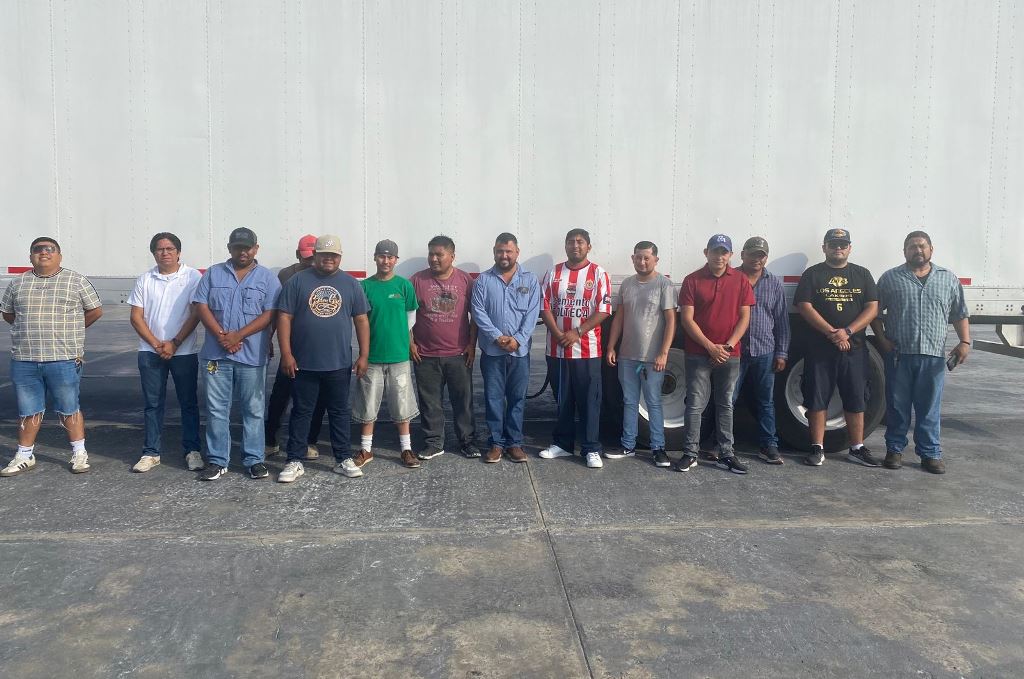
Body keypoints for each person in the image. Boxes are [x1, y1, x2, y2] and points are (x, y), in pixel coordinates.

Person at [0, 237, 103, 476]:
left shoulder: (76, 280)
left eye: (50, 249)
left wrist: (72, 329)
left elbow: (95, 310)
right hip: (25, 359)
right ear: (30, 256)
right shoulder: (17, 283)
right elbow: (8, 314)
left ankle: (79, 454)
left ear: (59, 255)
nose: (44, 253)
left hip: (63, 358)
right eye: (38, 250)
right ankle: (24, 455)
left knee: (69, 407)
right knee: (28, 410)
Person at [870, 230, 970, 474]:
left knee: (929, 407)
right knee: (897, 406)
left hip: (933, 356)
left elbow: (959, 313)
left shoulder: (947, 279)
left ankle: (930, 454)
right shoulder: (890, 278)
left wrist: (964, 342)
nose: (918, 250)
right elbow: (874, 313)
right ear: (904, 251)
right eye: (912, 246)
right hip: (899, 355)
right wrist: (882, 340)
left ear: (931, 249)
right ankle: (894, 450)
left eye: (922, 246)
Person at [275, 234, 370, 483]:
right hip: (303, 362)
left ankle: (343, 458)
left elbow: (361, 319)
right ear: (315, 255)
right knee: (301, 411)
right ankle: (294, 460)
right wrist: (286, 353)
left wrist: (364, 355)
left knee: (339, 412)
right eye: (324, 254)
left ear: (340, 257)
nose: (329, 259)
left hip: (339, 363)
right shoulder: (297, 281)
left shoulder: (351, 284)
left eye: (334, 255)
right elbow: (284, 317)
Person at [192, 227, 281, 480]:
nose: (243, 252)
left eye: (247, 247)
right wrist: (223, 336)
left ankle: (254, 460)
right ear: (229, 248)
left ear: (256, 248)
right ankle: (217, 460)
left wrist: (237, 336)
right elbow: (201, 306)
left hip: (251, 357)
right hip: (216, 355)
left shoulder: (268, 279)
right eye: (238, 247)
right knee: (216, 409)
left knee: (253, 409)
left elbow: (270, 314)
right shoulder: (213, 273)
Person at [794, 228, 879, 467]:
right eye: (833, 245)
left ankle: (856, 447)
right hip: (820, 349)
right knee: (817, 397)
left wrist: (847, 331)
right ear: (824, 248)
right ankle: (817, 448)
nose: (838, 248)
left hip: (855, 347)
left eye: (843, 245)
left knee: (856, 397)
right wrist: (832, 333)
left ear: (850, 248)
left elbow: (872, 307)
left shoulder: (862, 274)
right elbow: (804, 306)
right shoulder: (813, 274)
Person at [676, 234, 754, 474]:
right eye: (715, 251)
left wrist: (727, 347)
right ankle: (690, 453)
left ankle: (726, 454)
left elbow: (744, 317)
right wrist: (710, 346)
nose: (719, 256)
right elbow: (686, 319)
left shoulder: (740, 280)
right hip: (698, 352)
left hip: (730, 354)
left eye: (724, 252)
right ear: (706, 253)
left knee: (725, 404)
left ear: (730, 255)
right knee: (695, 404)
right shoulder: (692, 280)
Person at [127, 232, 204, 473]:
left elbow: (196, 313)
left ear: (178, 252)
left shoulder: (192, 276)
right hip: (150, 352)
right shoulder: (145, 279)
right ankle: (151, 452)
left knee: (188, 403)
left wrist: (175, 343)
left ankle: (192, 451)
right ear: (154, 253)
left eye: (170, 249)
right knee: (152, 404)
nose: (165, 253)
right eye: (160, 249)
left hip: (184, 352)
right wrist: (156, 344)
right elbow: (136, 317)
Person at [538, 228, 612, 469]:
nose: (575, 246)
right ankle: (562, 444)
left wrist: (577, 332)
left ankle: (591, 448)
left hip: (587, 350)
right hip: (557, 349)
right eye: (571, 242)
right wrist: (558, 334)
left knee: (590, 400)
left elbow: (603, 310)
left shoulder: (598, 273)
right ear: (566, 246)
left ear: (588, 246)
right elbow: (544, 305)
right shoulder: (554, 273)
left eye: (580, 242)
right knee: (563, 399)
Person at [471, 233, 542, 463]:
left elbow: (533, 313)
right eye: (500, 251)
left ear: (517, 252)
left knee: (517, 398)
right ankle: (496, 443)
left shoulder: (530, 280)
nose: (504, 255)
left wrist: (518, 339)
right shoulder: (483, 280)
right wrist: (497, 337)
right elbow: (478, 311)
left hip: (519, 352)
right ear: (494, 252)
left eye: (508, 251)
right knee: (493, 398)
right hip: (493, 352)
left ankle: (514, 443)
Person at [605, 241, 676, 467]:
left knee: (653, 402)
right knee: (629, 401)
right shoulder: (627, 284)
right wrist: (611, 346)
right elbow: (619, 318)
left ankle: (658, 448)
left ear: (656, 259)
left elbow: (671, 321)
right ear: (632, 258)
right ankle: (628, 445)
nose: (642, 262)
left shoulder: (664, 285)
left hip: (652, 358)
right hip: (627, 355)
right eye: (638, 257)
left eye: (647, 258)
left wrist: (663, 353)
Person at [351, 239, 421, 469]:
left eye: (390, 257)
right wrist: (363, 353)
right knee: (368, 404)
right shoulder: (364, 287)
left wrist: (408, 343)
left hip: (399, 357)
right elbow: (360, 320)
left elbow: (410, 319)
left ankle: (406, 449)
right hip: (372, 357)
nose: (386, 261)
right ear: (375, 258)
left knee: (402, 404)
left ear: (396, 260)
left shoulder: (404, 286)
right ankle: (366, 449)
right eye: (382, 256)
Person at [410, 235, 480, 460]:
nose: (434, 259)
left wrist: (471, 345)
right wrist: (410, 343)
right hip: (425, 355)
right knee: (430, 402)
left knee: (463, 401)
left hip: (459, 354)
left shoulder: (465, 280)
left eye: (439, 254)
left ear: (452, 256)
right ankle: (433, 443)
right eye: (431, 254)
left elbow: (475, 316)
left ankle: (467, 442)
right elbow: (407, 315)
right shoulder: (416, 281)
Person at [265, 234, 327, 460]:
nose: (310, 262)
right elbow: (277, 311)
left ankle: (309, 441)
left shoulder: (326, 274)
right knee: (281, 395)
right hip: (292, 346)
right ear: (297, 255)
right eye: (306, 257)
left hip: (317, 348)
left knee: (317, 398)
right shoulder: (286, 275)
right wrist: (269, 339)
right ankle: (270, 439)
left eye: (314, 257)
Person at [733, 236, 790, 464]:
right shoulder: (731, 278)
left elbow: (782, 321)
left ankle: (769, 445)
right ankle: (722, 443)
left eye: (761, 255)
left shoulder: (774, 283)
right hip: (735, 350)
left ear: (766, 258)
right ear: (742, 255)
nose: (757, 259)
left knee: (765, 401)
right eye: (752, 254)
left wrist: (782, 352)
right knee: (728, 400)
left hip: (764, 350)